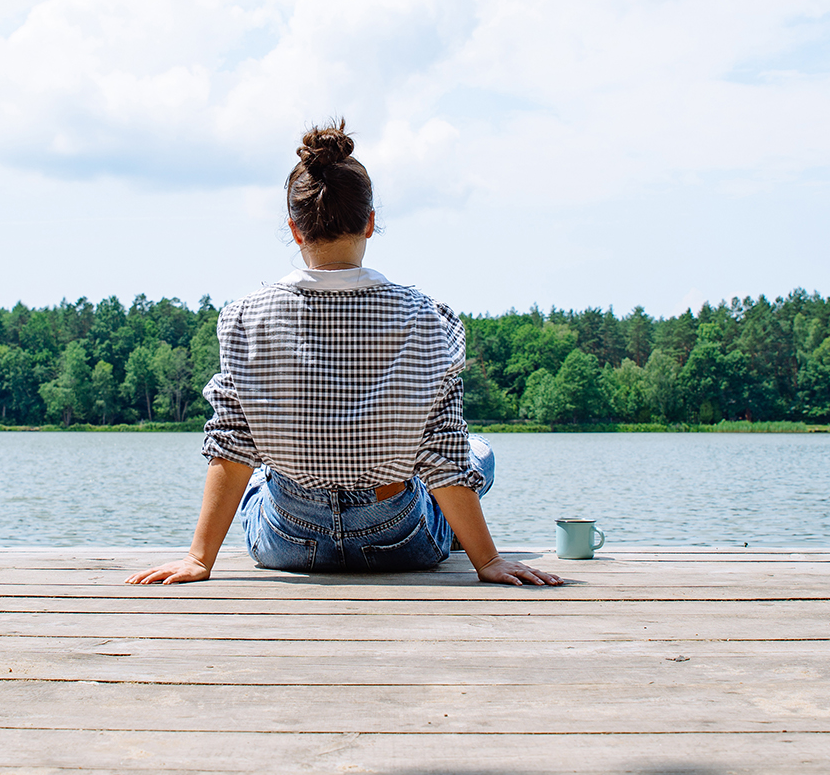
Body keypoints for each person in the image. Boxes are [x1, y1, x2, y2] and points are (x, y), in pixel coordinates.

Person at [129, 122, 561, 588]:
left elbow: (232, 447)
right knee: (480, 453)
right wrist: (488, 562)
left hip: (289, 539)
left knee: (261, 475)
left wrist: (199, 558)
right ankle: (454, 529)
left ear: (295, 230)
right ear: (370, 222)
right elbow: (444, 452)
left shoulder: (244, 318)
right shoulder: (426, 316)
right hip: (398, 538)